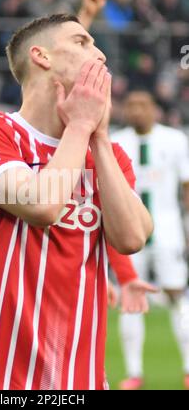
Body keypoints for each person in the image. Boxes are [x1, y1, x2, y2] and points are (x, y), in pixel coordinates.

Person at [0, 12, 152, 390]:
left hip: (83, 379)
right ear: (41, 57)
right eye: (82, 42)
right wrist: (79, 126)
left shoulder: (108, 154)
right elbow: (42, 206)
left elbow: (132, 238)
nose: (101, 54)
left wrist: (100, 138)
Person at [112, 91, 189, 391]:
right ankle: (134, 372)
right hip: (128, 235)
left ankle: (187, 367)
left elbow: (186, 188)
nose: (136, 110)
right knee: (130, 299)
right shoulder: (116, 141)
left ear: (155, 110)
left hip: (167, 231)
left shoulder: (175, 140)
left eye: (142, 104)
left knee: (176, 296)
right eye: (130, 104)